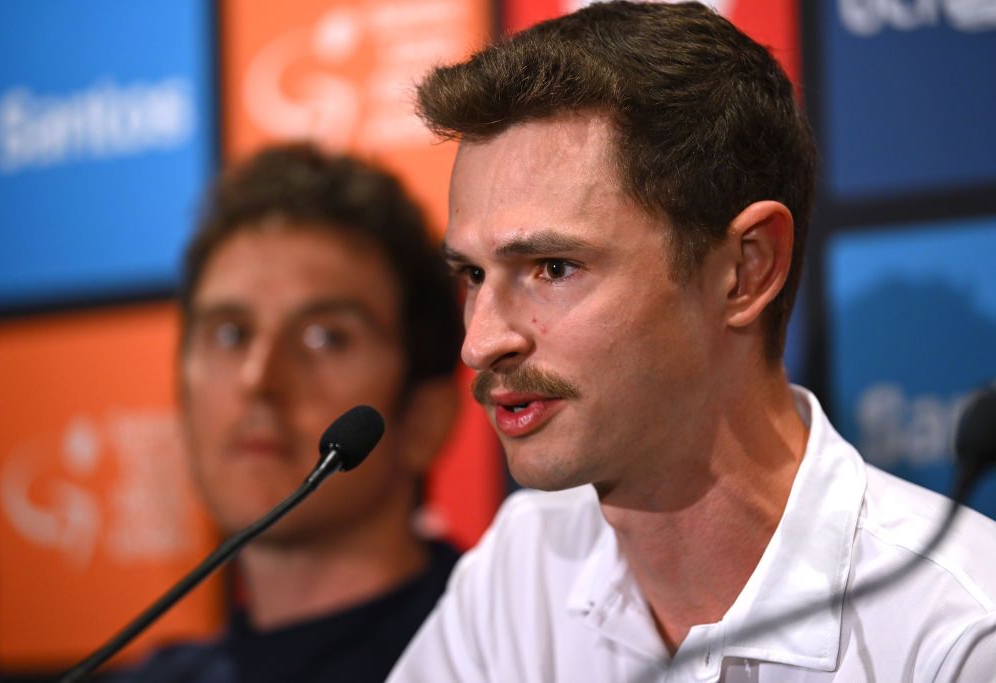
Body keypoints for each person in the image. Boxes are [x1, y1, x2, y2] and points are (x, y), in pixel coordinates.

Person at [387, 2, 996, 681]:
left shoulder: (959, 633)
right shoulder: (520, 571)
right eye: (473, 274)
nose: (480, 341)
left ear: (745, 269)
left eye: (553, 269)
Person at [119, 142, 464, 682]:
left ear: (425, 417)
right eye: (229, 334)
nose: (259, 379)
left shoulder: (504, 651)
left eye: (324, 337)